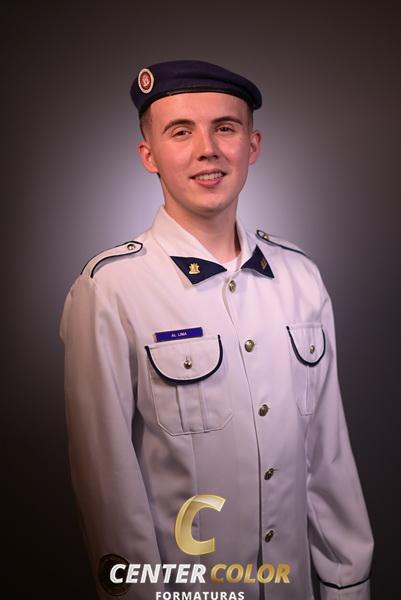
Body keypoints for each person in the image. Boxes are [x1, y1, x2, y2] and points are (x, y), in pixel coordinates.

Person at [59, 60, 374, 600]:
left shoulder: (301, 277)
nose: (207, 150)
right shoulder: (110, 289)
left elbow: (328, 455)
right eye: (180, 132)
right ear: (149, 155)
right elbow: (107, 483)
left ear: (252, 145)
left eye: (225, 128)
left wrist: (348, 585)